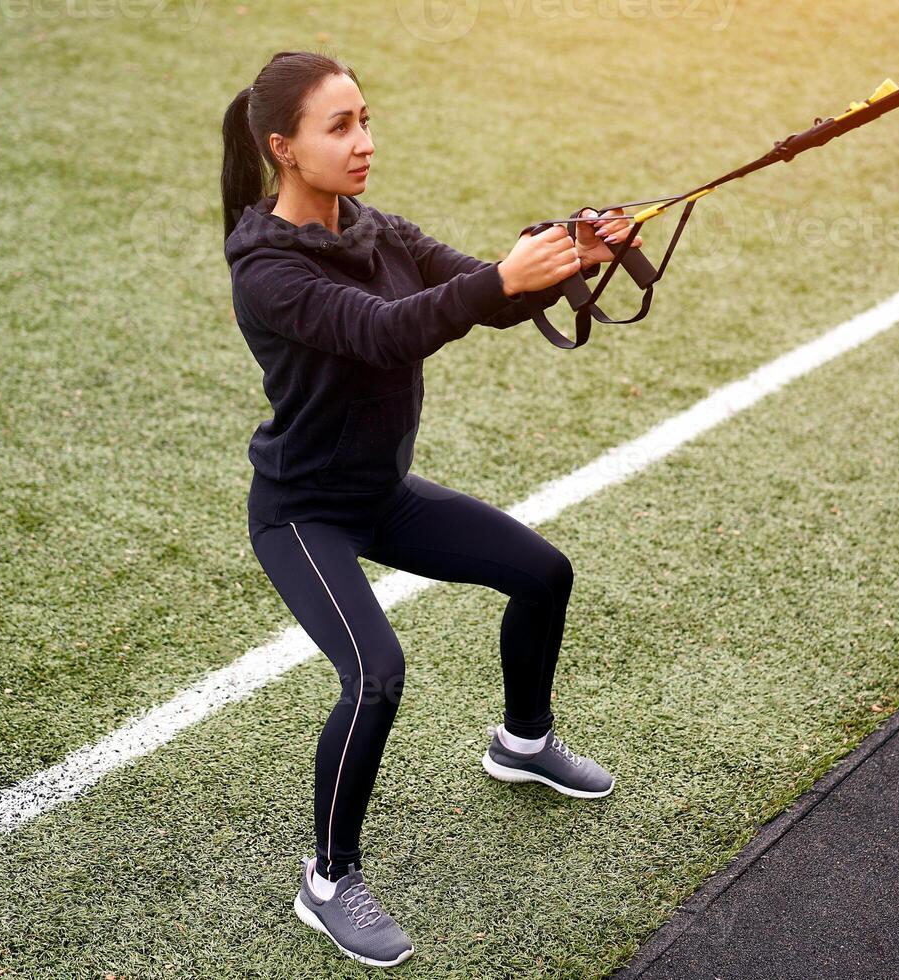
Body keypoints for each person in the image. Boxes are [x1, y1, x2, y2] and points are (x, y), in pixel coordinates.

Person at [219, 50, 641, 969]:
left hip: (381, 496)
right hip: (304, 512)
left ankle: (522, 741)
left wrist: (569, 250)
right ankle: (329, 877)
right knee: (375, 674)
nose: (365, 142)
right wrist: (499, 280)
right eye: (341, 128)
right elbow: (385, 332)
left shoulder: (377, 231)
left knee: (543, 573)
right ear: (284, 148)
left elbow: (481, 291)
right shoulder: (268, 271)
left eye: (366, 119)